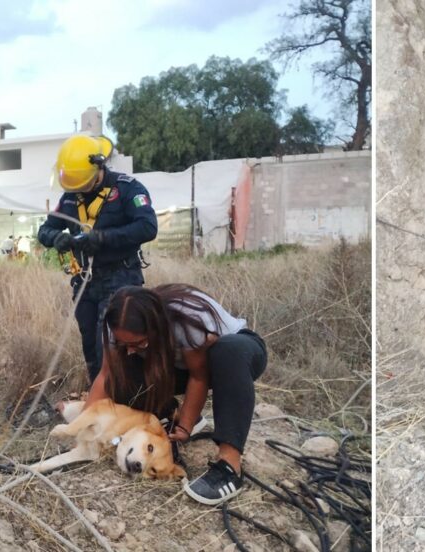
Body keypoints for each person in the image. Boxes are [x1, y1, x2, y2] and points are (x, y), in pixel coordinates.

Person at [85, 284, 267, 505]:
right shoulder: (116, 327)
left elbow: (199, 376)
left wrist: (185, 427)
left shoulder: (187, 318)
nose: (130, 349)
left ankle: (230, 466)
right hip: (178, 366)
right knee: (121, 375)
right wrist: (84, 424)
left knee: (228, 350)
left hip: (234, 359)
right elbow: (105, 375)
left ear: (157, 328)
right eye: (124, 344)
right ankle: (169, 416)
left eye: (138, 343)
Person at [38, 134, 157, 383]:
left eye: (83, 184)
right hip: (86, 282)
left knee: (112, 346)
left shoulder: (127, 189)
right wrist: (55, 238)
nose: (78, 190)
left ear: (99, 168)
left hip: (121, 277)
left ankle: (124, 401)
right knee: (91, 346)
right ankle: (99, 399)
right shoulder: (70, 195)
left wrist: (102, 238)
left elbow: (147, 227)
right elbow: (45, 230)